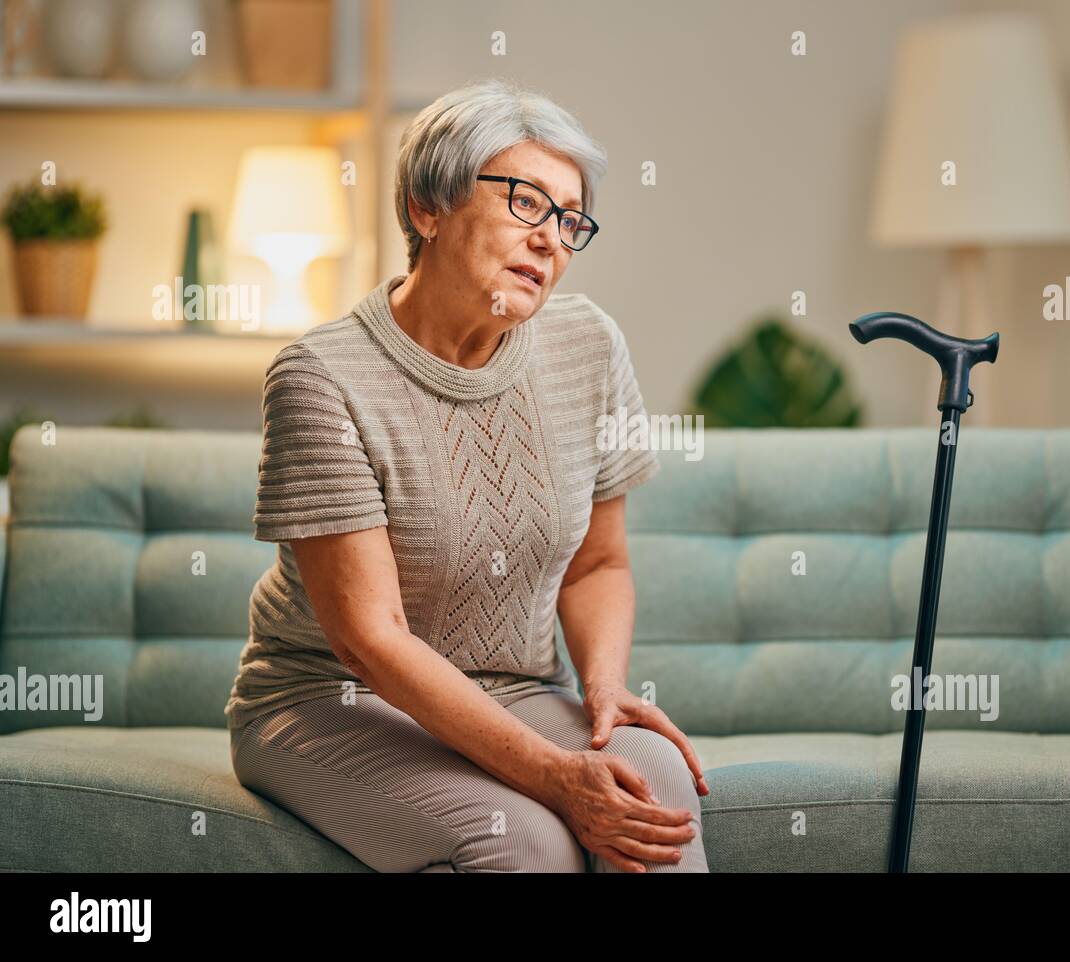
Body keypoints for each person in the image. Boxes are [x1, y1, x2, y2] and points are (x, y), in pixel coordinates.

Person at [225, 78, 709, 873]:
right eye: (526, 202)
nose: (552, 238)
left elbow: (598, 562)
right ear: (427, 206)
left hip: (515, 686)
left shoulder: (587, 345)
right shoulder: (322, 375)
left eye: (571, 218)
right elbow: (369, 641)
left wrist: (606, 684)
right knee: (522, 840)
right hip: (330, 702)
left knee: (654, 793)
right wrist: (555, 776)